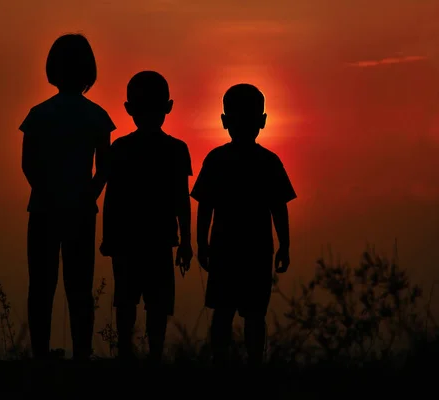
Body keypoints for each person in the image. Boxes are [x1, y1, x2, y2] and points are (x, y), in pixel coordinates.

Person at [19, 33, 116, 361]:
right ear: (89, 71)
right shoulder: (96, 115)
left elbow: (28, 164)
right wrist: (89, 192)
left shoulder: (39, 114)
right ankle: (82, 354)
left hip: (44, 208)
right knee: (80, 287)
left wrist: (48, 189)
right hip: (79, 210)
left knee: (41, 286)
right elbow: (105, 166)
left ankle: (40, 354)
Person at [190, 83, 297, 366]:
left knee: (224, 312)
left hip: (227, 248)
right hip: (256, 250)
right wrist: (284, 245)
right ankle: (253, 365)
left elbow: (204, 207)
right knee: (252, 314)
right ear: (263, 121)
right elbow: (279, 207)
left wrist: (201, 243)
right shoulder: (268, 161)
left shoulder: (217, 160)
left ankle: (222, 362)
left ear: (224, 121)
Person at [100, 71, 193, 363]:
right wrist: (186, 241)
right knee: (151, 303)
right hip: (155, 240)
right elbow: (181, 200)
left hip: (137, 239)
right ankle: (149, 357)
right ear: (169, 106)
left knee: (134, 302)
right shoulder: (175, 150)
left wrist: (108, 237)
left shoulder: (122, 149)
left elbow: (112, 198)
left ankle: (131, 356)